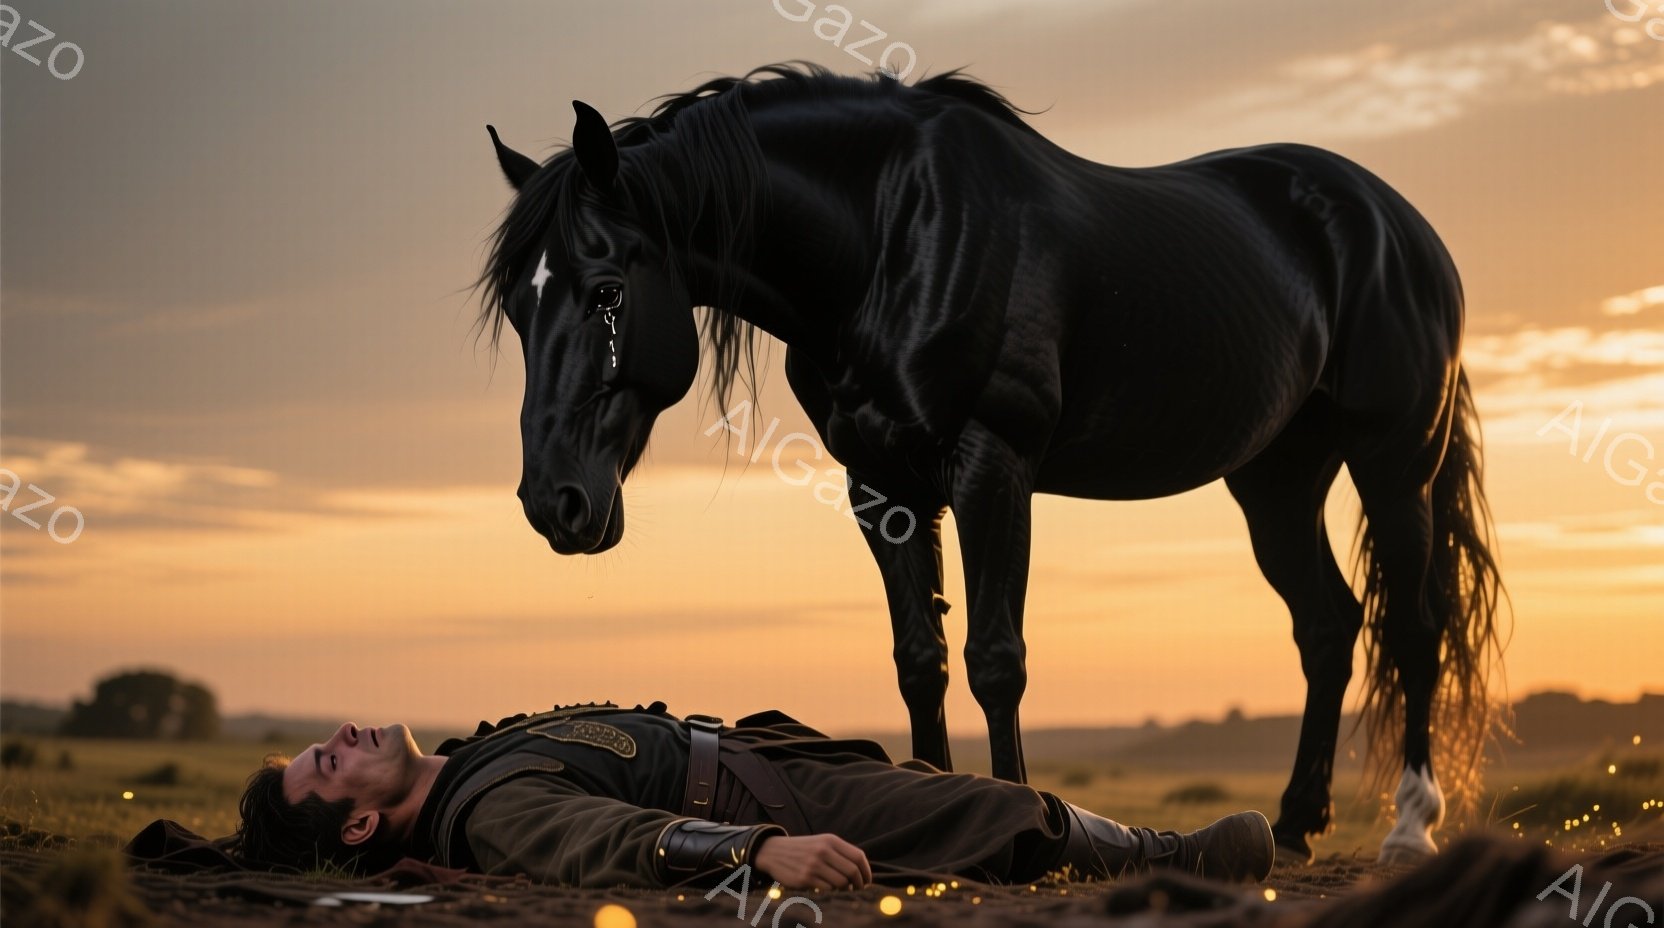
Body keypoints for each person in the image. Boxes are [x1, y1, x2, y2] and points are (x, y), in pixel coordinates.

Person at [234, 701, 1275, 889]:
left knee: (944, 794)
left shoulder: (468, 761)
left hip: (760, 757)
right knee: (992, 815)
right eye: (325, 764)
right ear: (359, 820)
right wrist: (754, 852)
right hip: (754, 809)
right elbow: (600, 837)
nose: (340, 736)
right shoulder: (486, 807)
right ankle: (1173, 858)